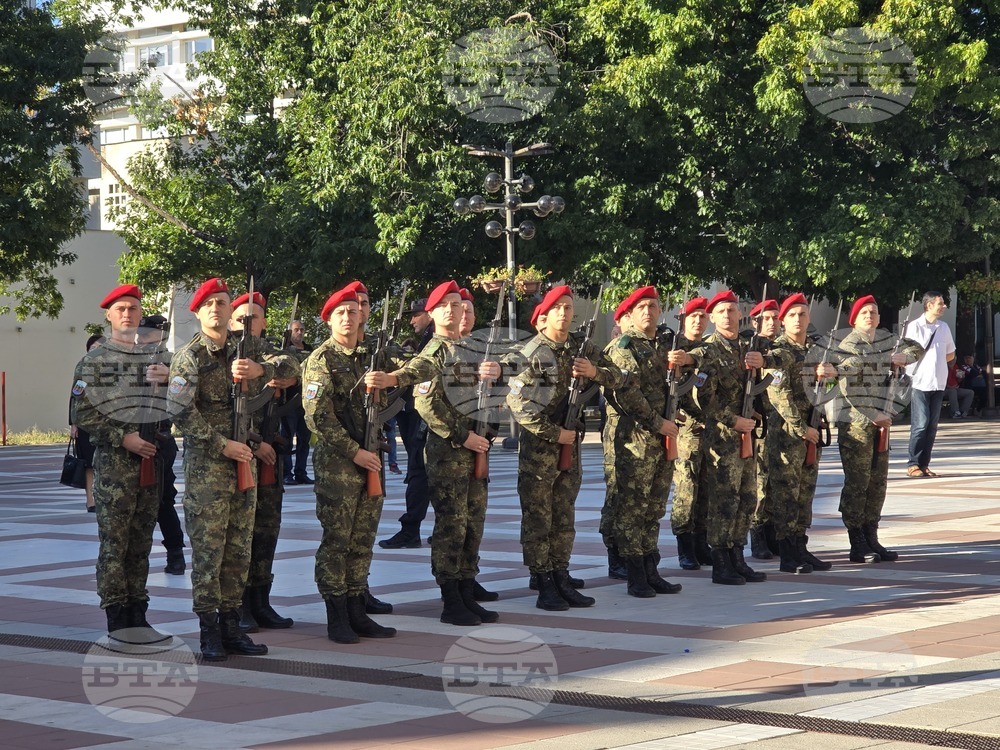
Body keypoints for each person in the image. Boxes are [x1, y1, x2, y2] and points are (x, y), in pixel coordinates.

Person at [168, 277, 297, 661]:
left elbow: (293, 361)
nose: (216, 309)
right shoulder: (189, 357)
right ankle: (209, 633)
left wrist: (261, 368)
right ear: (198, 312)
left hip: (246, 466)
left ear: (231, 311)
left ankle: (231, 627)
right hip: (210, 468)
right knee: (210, 554)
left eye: (222, 303)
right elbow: (180, 412)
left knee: (239, 551)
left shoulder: (248, 345)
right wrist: (223, 444)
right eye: (208, 304)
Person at [365, 281, 502, 625]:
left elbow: (489, 398)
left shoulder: (472, 349)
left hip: (476, 448)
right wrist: (462, 436)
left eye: (458, 305)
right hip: (449, 452)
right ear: (435, 313)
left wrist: (495, 381)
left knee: (474, 524)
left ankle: (467, 590)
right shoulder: (435, 353)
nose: (454, 311)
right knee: (452, 527)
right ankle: (451, 599)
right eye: (446, 306)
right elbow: (424, 398)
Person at [505, 286, 622, 610]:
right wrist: (553, 432)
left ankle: (561, 574)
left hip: (570, 444)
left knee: (564, 515)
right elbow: (516, 402)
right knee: (539, 518)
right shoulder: (531, 352)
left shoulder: (580, 349)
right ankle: (543, 581)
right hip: (541, 451)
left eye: (569, 307)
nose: (565, 313)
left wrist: (594, 372)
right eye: (558, 307)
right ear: (543, 316)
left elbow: (621, 377)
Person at [71, 285, 170, 642]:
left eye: (133, 308)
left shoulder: (156, 358)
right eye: (121, 309)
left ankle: (138, 614)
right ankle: (117, 618)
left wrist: (170, 381)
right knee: (115, 543)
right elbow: (81, 412)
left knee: (142, 541)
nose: (128, 314)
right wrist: (122, 436)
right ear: (109, 316)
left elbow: (185, 402)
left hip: (151, 462)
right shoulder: (94, 362)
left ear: (141, 315)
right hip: (115, 465)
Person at [303, 286, 397, 643]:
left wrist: (391, 380)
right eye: (340, 313)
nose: (348, 317)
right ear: (329, 319)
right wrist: (354, 451)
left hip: (370, 457)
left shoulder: (370, 355)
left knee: (363, 539)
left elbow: (418, 367)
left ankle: (358, 609)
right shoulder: (321, 359)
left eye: (353, 311)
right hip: (339, 464)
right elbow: (318, 418)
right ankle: (336, 615)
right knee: (338, 540)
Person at [668, 290, 780, 586]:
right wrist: (734, 420)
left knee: (746, 497)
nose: (728, 316)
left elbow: (776, 375)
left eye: (732, 310)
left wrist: (756, 405)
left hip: (746, 435)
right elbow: (704, 397)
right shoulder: (709, 350)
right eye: (722, 311)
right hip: (721, 438)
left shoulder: (748, 347)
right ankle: (721, 561)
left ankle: (737, 556)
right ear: (713, 318)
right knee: (724, 502)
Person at [601, 286, 682, 598]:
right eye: (642, 307)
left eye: (653, 306)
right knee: (633, 508)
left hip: (660, 436)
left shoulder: (662, 345)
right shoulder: (623, 347)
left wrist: (674, 415)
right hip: (635, 438)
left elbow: (668, 389)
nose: (649, 311)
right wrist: (657, 421)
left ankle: (651, 567)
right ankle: (635, 573)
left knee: (654, 506)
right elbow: (627, 393)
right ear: (629, 315)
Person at [832, 295, 923, 563]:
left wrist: (902, 356)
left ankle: (872, 536)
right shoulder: (850, 345)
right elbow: (850, 385)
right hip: (858, 425)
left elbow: (918, 348)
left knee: (877, 483)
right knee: (858, 484)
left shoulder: (885, 341)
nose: (870, 316)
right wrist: (874, 415)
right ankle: (856, 541)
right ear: (855, 319)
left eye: (873, 312)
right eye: (864, 312)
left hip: (881, 423)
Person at [230, 291, 297, 631]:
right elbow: (223, 413)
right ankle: (239, 604)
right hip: (240, 457)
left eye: (254, 317)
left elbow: (293, 365)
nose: (247, 323)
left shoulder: (271, 354)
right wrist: (257, 444)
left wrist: (282, 376)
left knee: (267, 531)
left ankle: (261, 601)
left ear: (265, 322)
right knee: (241, 536)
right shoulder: (227, 356)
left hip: (272, 459)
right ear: (231, 320)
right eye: (242, 317)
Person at [763, 294, 837, 574]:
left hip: (812, 431)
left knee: (805, 493)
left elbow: (829, 394)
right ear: (782, 321)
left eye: (802, 314)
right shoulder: (777, 352)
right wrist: (801, 428)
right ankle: (787, 554)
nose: (798, 319)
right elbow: (778, 396)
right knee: (786, 495)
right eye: (792, 315)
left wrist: (830, 377)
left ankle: (801, 546)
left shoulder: (818, 350)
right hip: (787, 434)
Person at [378, 296, 434, 549]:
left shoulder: (433, 341)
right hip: (416, 413)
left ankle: (411, 529)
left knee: (418, 473)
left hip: (423, 416)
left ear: (430, 314)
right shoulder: (427, 340)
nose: (412, 320)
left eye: (417, 314)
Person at [135, 315, 186, 576]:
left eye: (147, 334)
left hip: (160, 440)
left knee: (163, 501)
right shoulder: (128, 359)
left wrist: (167, 379)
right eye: (140, 333)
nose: (141, 338)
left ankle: (175, 552)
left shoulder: (175, 362)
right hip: (131, 441)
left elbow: (185, 398)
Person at [669, 296, 712, 572]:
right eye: (693, 316)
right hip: (685, 431)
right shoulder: (673, 349)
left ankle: (701, 543)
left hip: (712, 429)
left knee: (706, 489)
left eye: (702, 316)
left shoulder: (710, 349)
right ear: (683, 319)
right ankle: (684, 547)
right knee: (686, 489)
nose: (698, 321)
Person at [904, 292, 955, 477]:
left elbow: (951, 354)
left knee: (932, 426)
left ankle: (925, 464)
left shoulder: (943, 327)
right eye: (940, 303)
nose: (944, 306)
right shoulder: (914, 327)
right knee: (921, 424)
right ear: (929, 305)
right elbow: (907, 353)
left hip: (938, 382)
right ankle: (913, 463)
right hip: (919, 381)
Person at [745, 298, 780, 561]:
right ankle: (757, 534)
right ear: (755, 321)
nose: (771, 323)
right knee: (760, 482)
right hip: (759, 424)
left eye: (775, 318)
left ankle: (773, 533)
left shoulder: (781, 349)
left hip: (781, 424)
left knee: (778, 482)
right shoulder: (749, 348)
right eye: (766, 319)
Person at [71, 333, 105, 513]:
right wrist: (73, 423)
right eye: (93, 348)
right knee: (88, 464)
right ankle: (90, 500)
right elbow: (75, 396)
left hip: (106, 424)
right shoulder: (83, 368)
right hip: (86, 423)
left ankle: (103, 497)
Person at [280, 319, 314, 485]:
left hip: (306, 401)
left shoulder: (311, 351)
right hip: (288, 402)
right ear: (289, 332)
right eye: (296, 330)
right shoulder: (284, 351)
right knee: (286, 439)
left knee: (304, 440)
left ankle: (301, 472)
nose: (299, 333)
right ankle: (287, 473)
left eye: (301, 329)